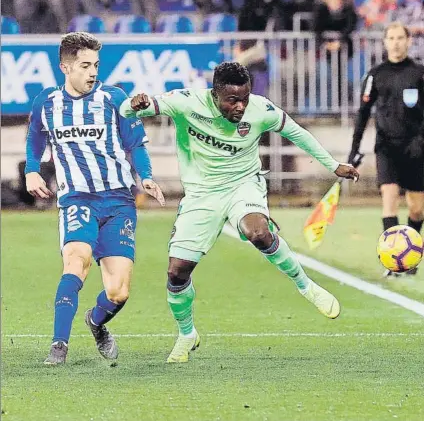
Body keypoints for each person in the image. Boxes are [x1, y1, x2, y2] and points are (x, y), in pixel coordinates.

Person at [120, 62, 360, 363]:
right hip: (201, 195)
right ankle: (187, 333)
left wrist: (333, 165)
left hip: (243, 186)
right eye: (232, 100)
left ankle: (306, 286)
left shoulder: (261, 110)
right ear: (215, 94)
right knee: (176, 272)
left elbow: (298, 133)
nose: (241, 106)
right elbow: (128, 112)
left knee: (258, 232)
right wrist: (133, 104)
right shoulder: (186, 102)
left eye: (245, 98)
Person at [25, 32, 165, 365]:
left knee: (118, 292)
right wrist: (32, 170)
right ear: (65, 66)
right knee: (77, 261)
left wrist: (145, 176)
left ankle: (96, 321)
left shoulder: (114, 98)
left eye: (96, 65)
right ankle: (59, 345)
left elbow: (135, 144)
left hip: (118, 201)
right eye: (85, 65)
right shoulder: (46, 102)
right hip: (76, 199)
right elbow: (35, 140)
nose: (92, 72)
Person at [348, 22, 424, 277]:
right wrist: (354, 150)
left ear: (408, 41)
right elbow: (363, 114)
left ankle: (409, 259)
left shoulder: (419, 73)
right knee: (389, 200)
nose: (395, 42)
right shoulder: (375, 74)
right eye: (390, 38)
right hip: (386, 147)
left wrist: (421, 140)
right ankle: (394, 263)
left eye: (400, 37)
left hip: (415, 148)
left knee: (417, 209)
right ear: (384, 42)